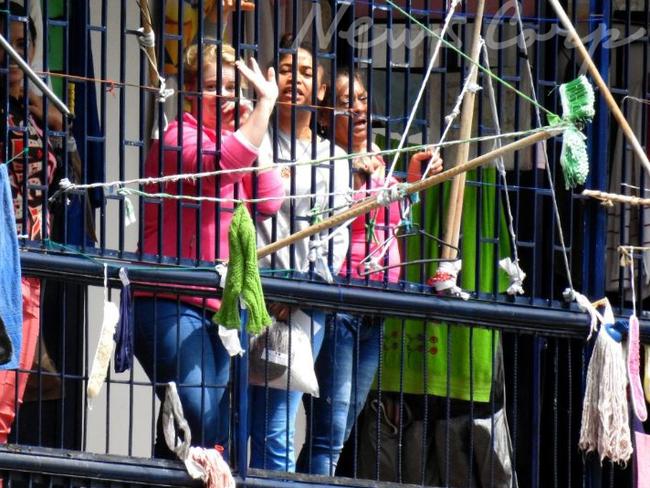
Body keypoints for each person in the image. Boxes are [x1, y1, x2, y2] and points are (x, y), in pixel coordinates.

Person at [135, 41, 283, 456]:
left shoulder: (239, 142)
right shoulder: (176, 136)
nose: (226, 97)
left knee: (194, 422)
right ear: (191, 92)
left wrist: (258, 127)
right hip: (168, 299)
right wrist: (263, 109)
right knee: (200, 412)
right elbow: (221, 167)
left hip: (222, 306)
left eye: (234, 89)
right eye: (214, 86)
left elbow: (269, 201)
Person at [295, 67, 443, 475]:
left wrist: (411, 177)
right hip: (340, 307)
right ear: (324, 117)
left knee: (341, 430)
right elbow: (320, 220)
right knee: (330, 429)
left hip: (375, 310)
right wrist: (351, 177)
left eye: (361, 100)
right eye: (346, 103)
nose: (358, 109)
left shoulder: (378, 160)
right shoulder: (324, 163)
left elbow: (392, 220)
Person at [249, 34, 351, 472]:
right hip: (249, 298)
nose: (296, 80)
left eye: (308, 73)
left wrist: (301, 292)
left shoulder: (335, 158)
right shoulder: (257, 140)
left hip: (303, 308)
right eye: (288, 70)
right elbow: (242, 218)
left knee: (276, 427)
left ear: (323, 89)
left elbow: (338, 236)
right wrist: (259, 287)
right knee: (237, 418)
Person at [0, 2, 62, 444]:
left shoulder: (37, 110)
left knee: (6, 409)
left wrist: (45, 110)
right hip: (4, 261)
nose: (13, 58)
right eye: (5, 46)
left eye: (22, 47)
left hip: (33, 266)